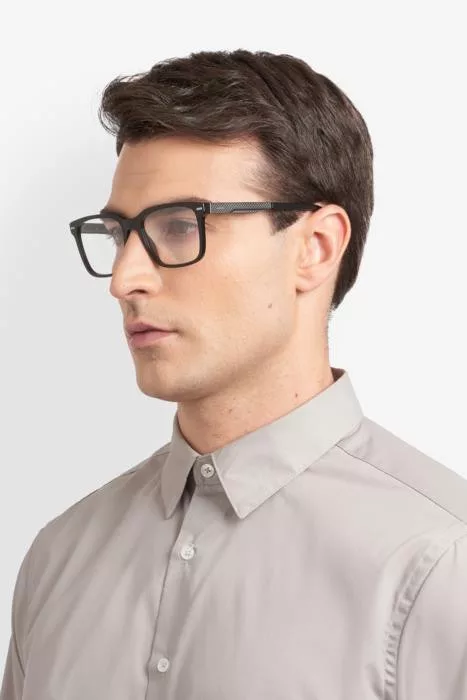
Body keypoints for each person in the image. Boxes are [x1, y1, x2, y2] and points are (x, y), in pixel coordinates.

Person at [2, 48, 467, 700]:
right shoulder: (59, 559)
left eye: (176, 226)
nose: (124, 279)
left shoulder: (440, 564)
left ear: (315, 248)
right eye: (118, 234)